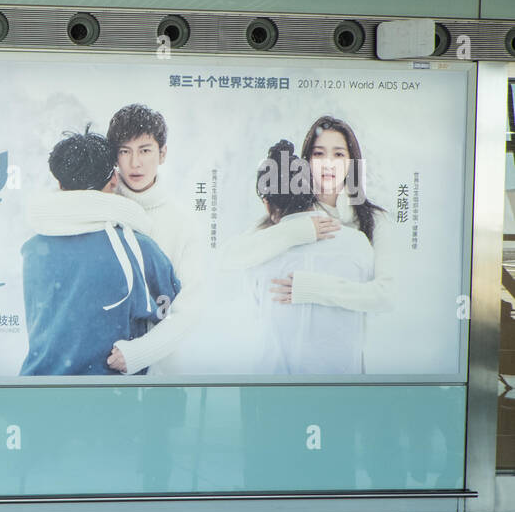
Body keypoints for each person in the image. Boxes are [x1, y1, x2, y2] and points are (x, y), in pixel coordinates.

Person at [25, 103, 203, 375]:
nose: (135, 163)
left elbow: (190, 308)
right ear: (113, 157)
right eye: (124, 151)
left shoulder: (182, 223)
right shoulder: (86, 208)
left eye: (145, 150)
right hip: (102, 383)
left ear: (162, 153)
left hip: (161, 378)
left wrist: (140, 353)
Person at [220, 115, 391, 315]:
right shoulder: (290, 212)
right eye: (318, 154)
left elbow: (385, 296)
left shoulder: (373, 219)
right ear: (306, 161)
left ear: (352, 162)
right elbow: (229, 257)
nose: (328, 163)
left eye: (338, 154)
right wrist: (296, 232)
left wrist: (315, 288)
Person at [246, 141, 374, 373]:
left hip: (274, 393)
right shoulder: (357, 244)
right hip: (344, 390)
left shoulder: (258, 254)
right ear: (310, 192)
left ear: (268, 205)